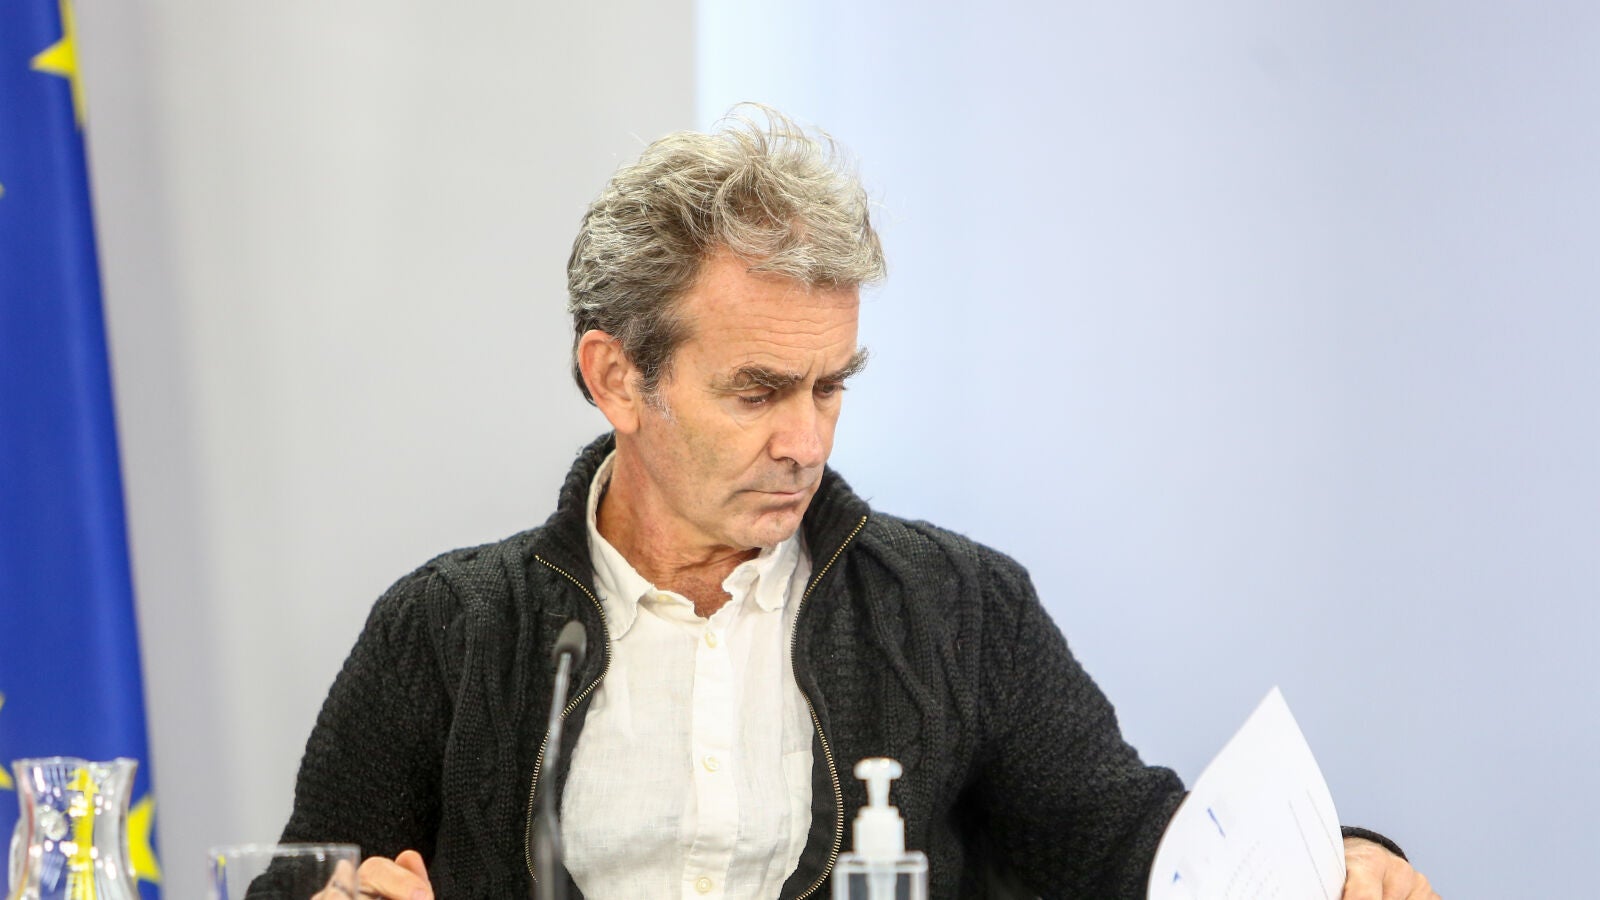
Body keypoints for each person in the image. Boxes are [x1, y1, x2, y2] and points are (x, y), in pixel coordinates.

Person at [280, 108, 1438, 900]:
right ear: (615, 378)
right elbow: (302, 878)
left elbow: (1122, 846)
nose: (806, 441)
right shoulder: (447, 629)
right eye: (757, 391)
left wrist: (1332, 862)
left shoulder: (958, 608)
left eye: (829, 387)